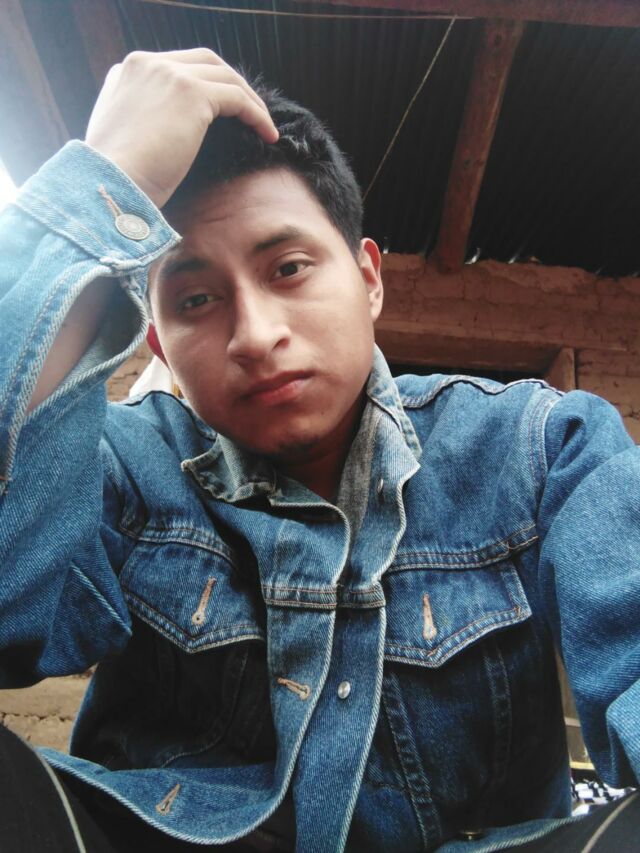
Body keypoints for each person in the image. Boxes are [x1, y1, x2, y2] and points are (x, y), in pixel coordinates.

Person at [0, 48, 639, 852]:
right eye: (197, 299)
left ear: (369, 279)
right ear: (159, 344)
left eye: (290, 267)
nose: (256, 335)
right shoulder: (130, 469)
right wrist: (102, 178)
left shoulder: (541, 448)